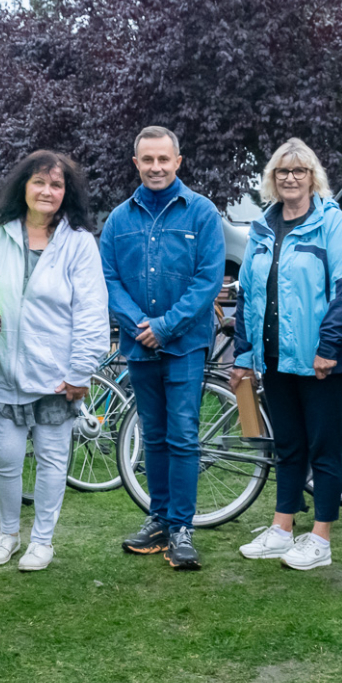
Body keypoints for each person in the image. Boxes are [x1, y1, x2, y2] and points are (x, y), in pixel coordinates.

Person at [229, 138, 342, 570]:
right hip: (275, 360)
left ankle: (320, 539)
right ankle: (282, 529)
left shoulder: (331, 223)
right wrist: (245, 356)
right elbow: (248, 293)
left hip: (322, 361)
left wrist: (328, 348)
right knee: (288, 446)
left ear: (312, 178)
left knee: (323, 449)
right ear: (272, 179)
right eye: (282, 172)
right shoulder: (264, 229)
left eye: (299, 171)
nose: (290, 178)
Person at [100, 126, 226, 570]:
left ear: (178, 161)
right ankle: (159, 520)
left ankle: (183, 528)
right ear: (136, 163)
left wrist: (166, 326)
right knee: (152, 435)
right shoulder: (118, 220)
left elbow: (209, 279)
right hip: (140, 346)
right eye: (147, 160)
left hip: (185, 345)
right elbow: (110, 278)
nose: (156, 167)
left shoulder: (202, 213)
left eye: (163, 159)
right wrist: (140, 326)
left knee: (184, 435)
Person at [0, 151, 109, 571]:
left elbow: (92, 312)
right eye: (39, 182)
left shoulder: (79, 243)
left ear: (66, 193)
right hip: (4, 370)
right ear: (24, 186)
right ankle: (8, 532)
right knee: (6, 459)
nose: (47, 191)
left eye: (56, 185)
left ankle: (43, 540)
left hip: (58, 376)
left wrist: (79, 372)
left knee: (53, 461)